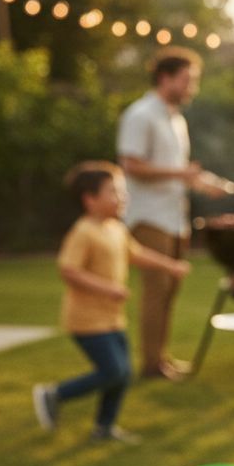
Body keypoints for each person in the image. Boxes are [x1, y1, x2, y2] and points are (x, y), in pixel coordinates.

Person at [33, 162, 190, 443]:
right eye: (114, 192)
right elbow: (68, 270)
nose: (123, 198)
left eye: (122, 192)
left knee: (123, 374)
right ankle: (54, 394)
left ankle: (104, 428)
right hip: (86, 320)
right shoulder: (84, 232)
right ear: (90, 199)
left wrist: (170, 266)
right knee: (113, 371)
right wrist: (108, 289)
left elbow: (137, 254)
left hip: (112, 318)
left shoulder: (116, 229)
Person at [117, 47, 233, 381]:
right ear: (165, 78)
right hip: (148, 217)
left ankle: (161, 358)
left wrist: (201, 182)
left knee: (169, 290)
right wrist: (182, 175)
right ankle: (151, 365)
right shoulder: (140, 115)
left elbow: (175, 170)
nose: (192, 87)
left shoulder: (175, 119)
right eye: (187, 80)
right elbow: (131, 165)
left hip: (174, 216)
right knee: (157, 289)